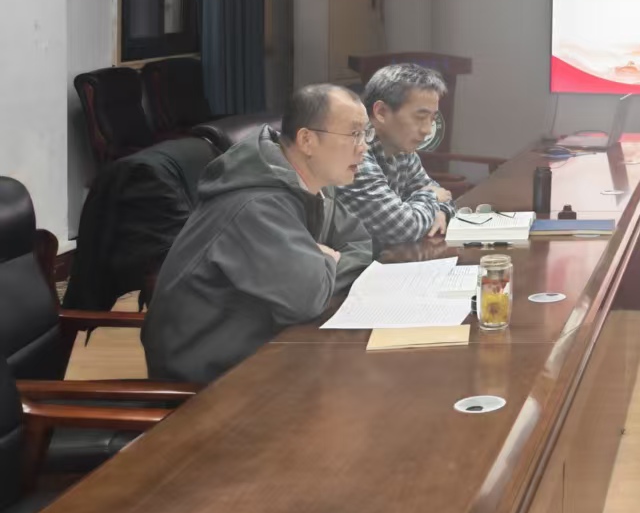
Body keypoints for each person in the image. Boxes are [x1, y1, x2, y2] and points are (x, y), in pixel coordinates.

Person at [142, 84, 374, 384]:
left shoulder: (315, 186)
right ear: (307, 140)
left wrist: (320, 265)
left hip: (267, 348)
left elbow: (359, 243)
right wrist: (323, 262)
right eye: (354, 134)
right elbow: (306, 298)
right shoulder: (256, 205)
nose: (364, 147)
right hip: (212, 377)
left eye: (365, 134)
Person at [341, 62, 457, 250]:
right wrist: (431, 197)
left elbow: (445, 196)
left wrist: (441, 211)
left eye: (432, 119)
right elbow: (403, 228)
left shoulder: (403, 150)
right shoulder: (355, 154)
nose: (428, 130)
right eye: (420, 117)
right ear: (381, 112)